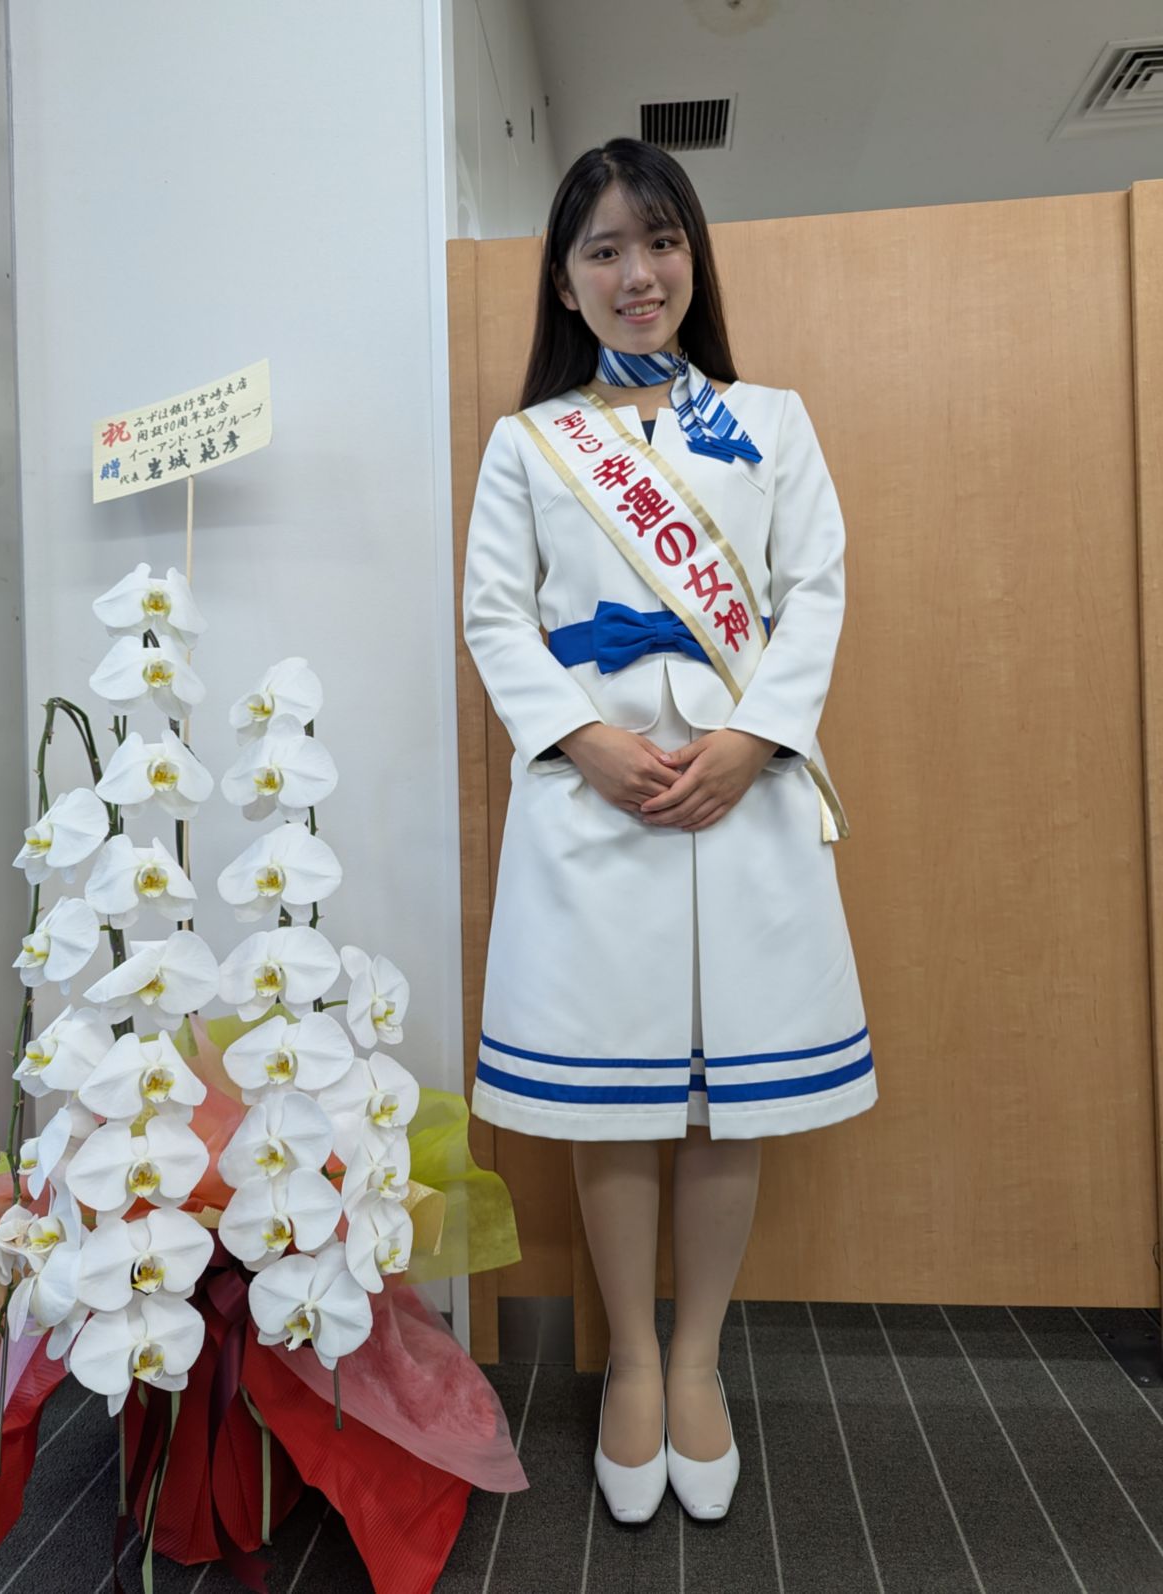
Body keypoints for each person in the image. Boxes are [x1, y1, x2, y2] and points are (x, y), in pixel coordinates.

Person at [462, 136, 877, 1525]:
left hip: (743, 792)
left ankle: (697, 1358)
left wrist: (757, 738)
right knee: (608, 1091)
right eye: (603, 249)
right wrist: (584, 739)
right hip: (596, 802)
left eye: (660, 242)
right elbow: (494, 618)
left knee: (732, 1092)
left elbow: (813, 592)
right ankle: (629, 1361)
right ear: (566, 286)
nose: (638, 273)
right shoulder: (531, 446)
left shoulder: (777, 420)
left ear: (693, 261)